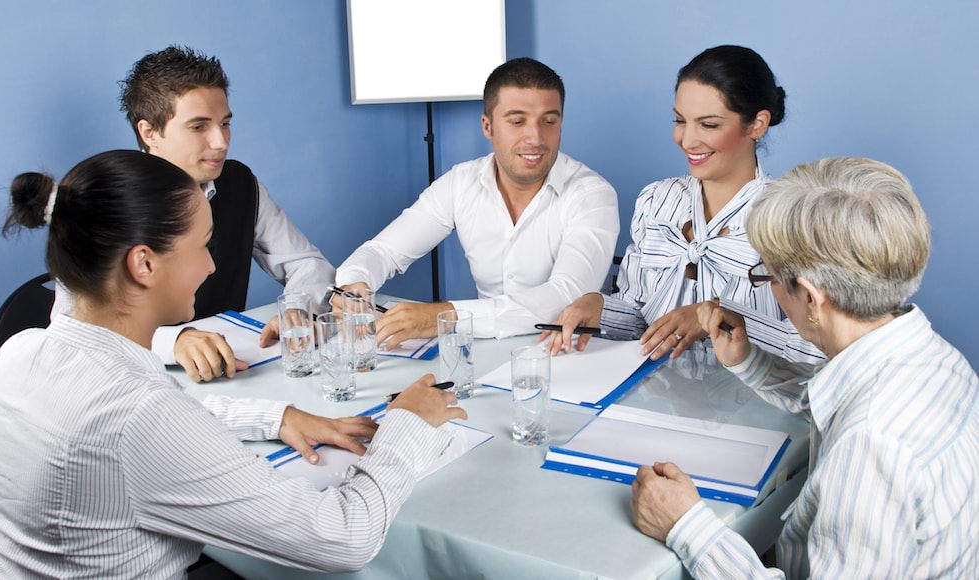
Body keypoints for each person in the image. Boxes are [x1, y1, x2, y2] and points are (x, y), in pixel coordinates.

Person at [0, 150, 466, 576]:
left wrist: (277, 417)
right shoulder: (141, 417)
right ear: (144, 265)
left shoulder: (19, 353)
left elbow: (138, 421)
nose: (211, 266)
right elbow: (344, 538)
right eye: (202, 245)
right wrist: (407, 424)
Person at [631, 157, 978, 578]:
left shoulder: (871, 445)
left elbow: (861, 423)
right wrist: (748, 360)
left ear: (812, 299)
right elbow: (839, 398)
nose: (769, 288)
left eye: (768, 276)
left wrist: (688, 527)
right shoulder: (935, 358)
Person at [51, 45, 336, 383]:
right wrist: (173, 341)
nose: (221, 142)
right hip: (131, 381)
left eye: (225, 123)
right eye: (199, 127)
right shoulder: (106, 196)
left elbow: (308, 264)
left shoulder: (241, 184)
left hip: (230, 375)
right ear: (149, 132)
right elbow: (72, 327)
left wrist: (297, 309)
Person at [543, 46, 821, 365]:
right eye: (680, 121)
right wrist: (599, 307)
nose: (687, 140)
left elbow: (819, 345)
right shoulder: (656, 200)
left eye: (709, 125)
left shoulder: (796, 218)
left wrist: (720, 320)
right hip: (653, 390)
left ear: (757, 124)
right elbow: (639, 317)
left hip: (752, 393)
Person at [335, 57, 619, 348]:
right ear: (488, 126)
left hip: (572, 352)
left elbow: (569, 295)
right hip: (488, 350)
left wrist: (447, 316)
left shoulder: (593, 194)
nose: (535, 137)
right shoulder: (461, 182)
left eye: (549, 121)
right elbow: (383, 251)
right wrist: (354, 283)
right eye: (517, 121)